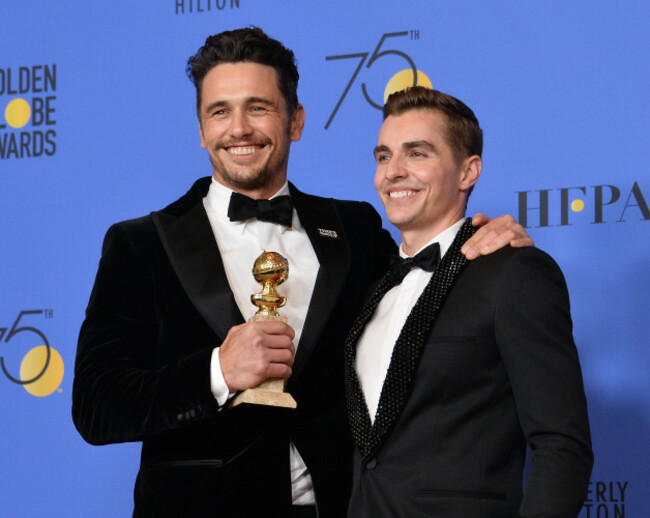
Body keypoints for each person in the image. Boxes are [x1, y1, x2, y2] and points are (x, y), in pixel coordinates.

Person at [72, 28, 532, 517]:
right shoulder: (141, 244)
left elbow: (427, 292)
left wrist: (479, 239)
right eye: (220, 111)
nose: (239, 128)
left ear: (296, 120)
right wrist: (217, 373)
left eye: (259, 107)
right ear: (202, 129)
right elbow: (97, 407)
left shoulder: (353, 229)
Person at [344, 86, 593, 518]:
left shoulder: (514, 274)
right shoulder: (373, 288)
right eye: (384, 156)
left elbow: (562, 446)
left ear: (468, 171)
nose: (393, 171)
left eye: (417, 153)